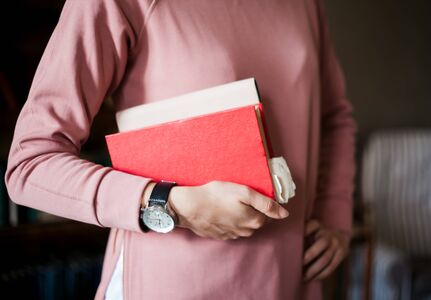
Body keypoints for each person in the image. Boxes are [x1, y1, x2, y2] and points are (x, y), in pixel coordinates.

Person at [5, 0, 356, 299]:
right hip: (174, 283)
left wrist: (336, 215)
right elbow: (31, 163)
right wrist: (168, 205)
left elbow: (334, 116)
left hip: (291, 280)